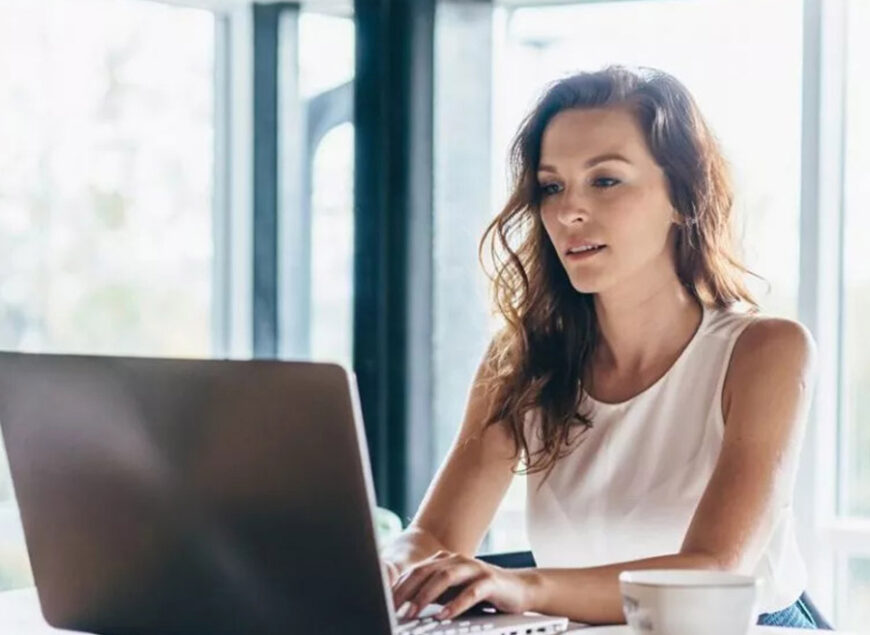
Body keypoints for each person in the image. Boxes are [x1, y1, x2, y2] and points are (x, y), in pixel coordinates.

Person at [380, 66, 819, 628]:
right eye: (551, 186)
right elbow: (434, 536)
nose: (568, 212)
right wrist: (383, 568)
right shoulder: (520, 360)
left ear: (683, 198)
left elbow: (711, 571)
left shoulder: (766, 350)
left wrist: (524, 585)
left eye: (605, 180)